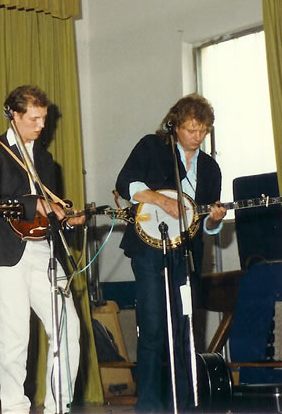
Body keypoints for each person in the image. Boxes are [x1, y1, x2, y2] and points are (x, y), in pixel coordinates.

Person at [0, 85, 83, 414]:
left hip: (42, 250)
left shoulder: (47, 160)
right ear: (13, 115)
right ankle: (14, 408)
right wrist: (35, 203)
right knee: (15, 336)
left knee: (68, 327)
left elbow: (50, 211)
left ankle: (58, 406)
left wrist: (66, 218)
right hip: (4, 251)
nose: (41, 125)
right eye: (34, 118)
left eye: (44, 118)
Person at [115, 93, 227, 412]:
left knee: (184, 328)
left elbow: (206, 224)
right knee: (152, 327)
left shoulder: (210, 168)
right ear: (175, 125)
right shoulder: (152, 147)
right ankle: (149, 405)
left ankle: (186, 403)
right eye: (191, 129)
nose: (197, 136)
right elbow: (125, 184)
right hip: (149, 250)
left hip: (186, 253)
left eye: (203, 130)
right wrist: (161, 200)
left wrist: (215, 220)